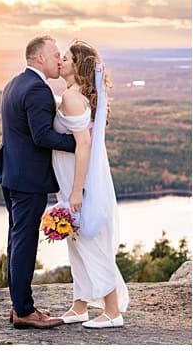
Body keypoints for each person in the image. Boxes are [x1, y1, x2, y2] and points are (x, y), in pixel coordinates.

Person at [0, 35, 75, 329]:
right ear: (39, 58)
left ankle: (20, 306)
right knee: (24, 243)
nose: (58, 60)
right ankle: (24, 311)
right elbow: (43, 137)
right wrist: (80, 142)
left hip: (10, 175)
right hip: (29, 180)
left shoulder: (13, 84)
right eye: (54, 55)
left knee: (16, 241)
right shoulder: (38, 90)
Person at [51, 40, 128, 328]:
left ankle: (112, 311)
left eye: (66, 59)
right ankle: (79, 305)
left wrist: (76, 190)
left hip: (77, 180)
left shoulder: (72, 97)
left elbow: (83, 144)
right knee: (77, 241)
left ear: (77, 66)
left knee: (90, 241)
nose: (61, 61)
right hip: (75, 179)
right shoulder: (76, 93)